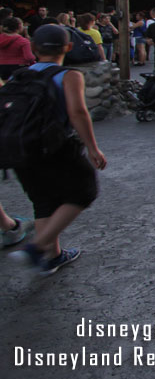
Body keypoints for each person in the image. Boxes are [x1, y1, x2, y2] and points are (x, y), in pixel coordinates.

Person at [7, 24, 107, 276]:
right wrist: (92, 148)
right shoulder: (69, 75)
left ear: (33, 47)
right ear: (68, 47)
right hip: (55, 146)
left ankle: (52, 256)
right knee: (84, 191)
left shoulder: (18, 76)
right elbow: (77, 112)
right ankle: (38, 247)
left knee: (43, 201)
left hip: (21, 147)